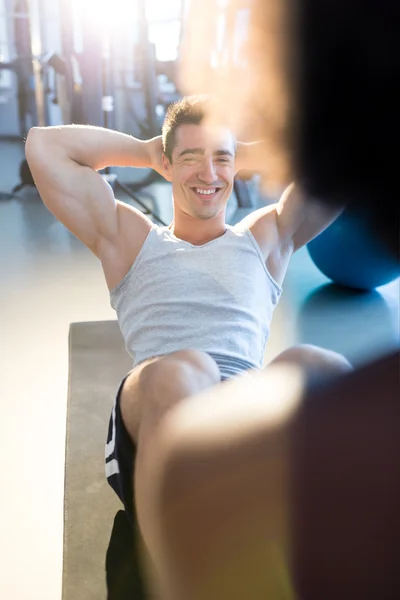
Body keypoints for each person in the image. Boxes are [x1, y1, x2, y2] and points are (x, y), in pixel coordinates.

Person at [25, 95, 353, 599]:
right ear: (166, 164)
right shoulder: (130, 237)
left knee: (321, 366)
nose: (208, 173)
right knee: (185, 368)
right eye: (189, 157)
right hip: (161, 406)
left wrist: (246, 152)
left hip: (243, 419)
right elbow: (44, 147)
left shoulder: (265, 236)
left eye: (221, 159)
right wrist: (142, 149)